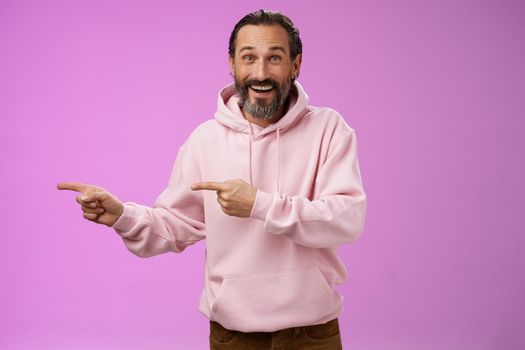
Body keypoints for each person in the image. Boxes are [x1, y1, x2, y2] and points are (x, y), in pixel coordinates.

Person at [57, 9, 366, 350]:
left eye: (274, 58)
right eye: (248, 58)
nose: (260, 72)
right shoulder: (205, 140)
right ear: (232, 64)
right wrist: (123, 216)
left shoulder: (329, 129)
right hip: (233, 336)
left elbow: (345, 219)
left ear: (296, 65)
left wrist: (259, 204)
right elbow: (175, 225)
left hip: (311, 335)